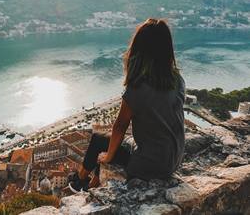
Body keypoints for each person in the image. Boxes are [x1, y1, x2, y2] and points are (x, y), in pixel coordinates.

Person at [69, 18, 185, 193]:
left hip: (148, 166)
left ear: (139, 49)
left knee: (100, 141)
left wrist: (108, 157)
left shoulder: (137, 87)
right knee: (107, 143)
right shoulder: (177, 80)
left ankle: (80, 181)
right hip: (174, 160)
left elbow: (120, 126)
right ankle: (90, 184)